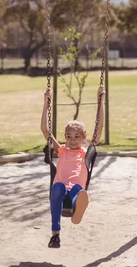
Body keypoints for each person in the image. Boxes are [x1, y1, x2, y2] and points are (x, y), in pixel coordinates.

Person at [41, 86, 104, 248]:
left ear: (84, 137)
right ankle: (55, 235)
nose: (72, 140)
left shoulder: (85, 153)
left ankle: (77, 208)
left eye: (76, 137)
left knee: (78, 190)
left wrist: (100, 101)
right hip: (60, 192)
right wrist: (46, 104)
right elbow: (45, 130)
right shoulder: (61, 151)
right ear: (65, 138)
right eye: (68, 137)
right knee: (57, 187)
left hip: (75, 190)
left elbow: (98, 131)